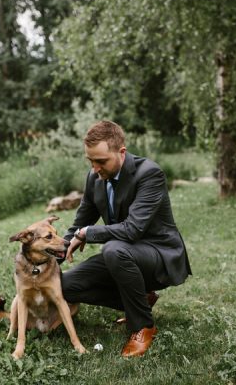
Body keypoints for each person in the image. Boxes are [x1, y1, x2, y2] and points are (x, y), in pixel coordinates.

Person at [62, 120, 192, 357]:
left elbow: (132, 230)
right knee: (64, 285)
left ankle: (143, 326)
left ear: (121, 152)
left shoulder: (149, 174)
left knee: (112, 250)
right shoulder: (95, 178)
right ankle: (141, 299)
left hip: (158, 254)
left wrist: (88, 234)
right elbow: (79, 224)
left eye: (101, 161)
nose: (95, 168)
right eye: (91, 161)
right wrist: (51, 255)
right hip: (122, 252)